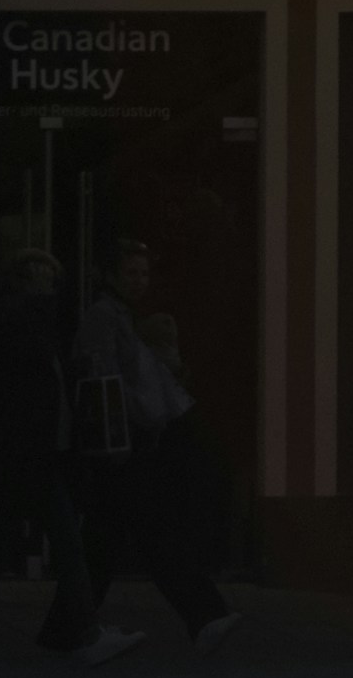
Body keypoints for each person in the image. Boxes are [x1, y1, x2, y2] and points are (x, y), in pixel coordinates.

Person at [73, 240, 236, 651]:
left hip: (132, 441)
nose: (140, 281)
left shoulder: (127, 317)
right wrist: (127, 425)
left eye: (144, 274)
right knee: (150, 533)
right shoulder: (104, 316)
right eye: (131, 273)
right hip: (124, 442)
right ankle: (205, 615)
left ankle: (70, 627)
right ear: (110, 275)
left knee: (108, 540)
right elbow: (103, 379)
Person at [0, 247, 132, 661]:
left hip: (38, 449)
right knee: (66, 541)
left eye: (52, 279)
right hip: (29, 450)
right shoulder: (19, 322)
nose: (50, 288)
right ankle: (85, 633)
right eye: (43, 279)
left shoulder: (37, 328)